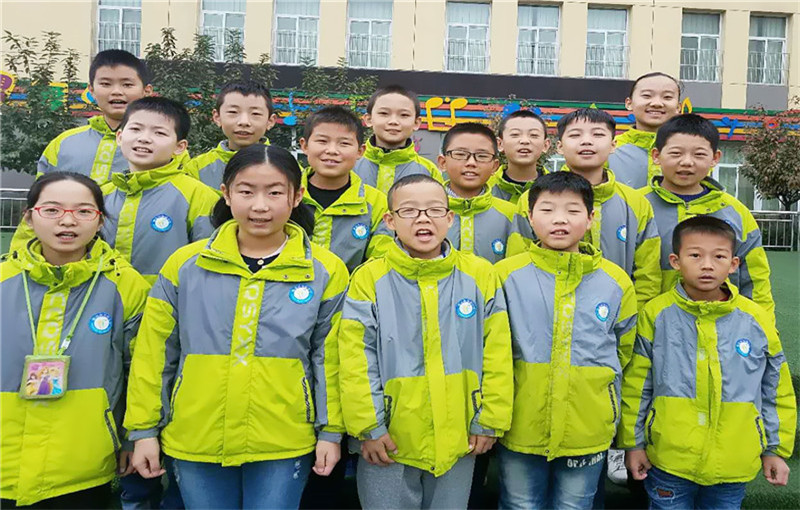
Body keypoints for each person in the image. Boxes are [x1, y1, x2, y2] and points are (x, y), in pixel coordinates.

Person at [124, 144, 348, 509]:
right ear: (226, 194)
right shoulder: (186, 264)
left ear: (296, 197)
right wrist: (144, 430)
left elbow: (330, 358)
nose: (260, 206)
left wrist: (331, 430)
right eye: (246, 191)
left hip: (284, 436)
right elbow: (154, 353)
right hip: (196, 432)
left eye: (274, 193)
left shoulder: (325, 270)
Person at [339, 174, 513, 509]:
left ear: (450, 218)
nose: (423, 219)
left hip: (459, 433)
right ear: (390, 220)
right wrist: (368, 427)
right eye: (409, 211)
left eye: (434, 210)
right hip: (389, 438)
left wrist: (489, 419)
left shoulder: (480, 274)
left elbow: (498, 352)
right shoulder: (369, 278)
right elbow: (356, 358)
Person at [619, 215, 796, 509]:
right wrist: (633, 443)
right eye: (695, 255)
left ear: (734, 264)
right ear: (676, 261)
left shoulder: (756, 319)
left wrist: (774, 449)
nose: (707, 265)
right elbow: (637, 385)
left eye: (719, 257)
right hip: (669, 460)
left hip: (733, 461)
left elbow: (776, 388)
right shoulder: (656, 314)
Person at [0, 173, 150, 508]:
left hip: (83, 463)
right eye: (52, 210)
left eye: (83, 211)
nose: (67, 221)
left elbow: (141, 372)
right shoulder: (4, 278)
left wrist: (133, 437)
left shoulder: (127, 286)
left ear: (100, 220)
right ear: (29, 217)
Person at [494, 172, 637, 510]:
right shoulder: (504, 275)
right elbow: (493, 349)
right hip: (520, 424)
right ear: (530, 217)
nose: (560, 220)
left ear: (590, 219)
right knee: (519, 504)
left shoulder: (615, 282)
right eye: (547, 210)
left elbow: (623, 350)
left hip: (587, 426)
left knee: (576, 505)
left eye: (573, 211)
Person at [513, 108, 662, 310]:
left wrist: (630, 316)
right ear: (559, 146)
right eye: (575, 135)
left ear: (613, 145)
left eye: (598, 134)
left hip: (615, 315)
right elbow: (518, 265)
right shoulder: (535, 198)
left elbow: (648, 275)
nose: (586, 141)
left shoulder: (636, 203)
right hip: (543, 311)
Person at [644, 113, 775, 322]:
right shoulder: (636, 205)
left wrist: (764, 327)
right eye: (676, 153)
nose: (687, 162)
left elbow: (756, 279)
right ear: (656, 155)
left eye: (699, 154)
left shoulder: (735, 212)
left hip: (723, 324)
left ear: (715, 158)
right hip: (654, 324)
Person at [100, 96, 219, 284]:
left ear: (180, 147)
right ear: (120, 137)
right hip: (106, 299)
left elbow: (206, 263)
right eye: (136, 129)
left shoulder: (198, 196)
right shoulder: (101, 195)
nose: (144, 138)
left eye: (159, 133)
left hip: (166, 300)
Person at [299, 106, 392, 273]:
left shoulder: (376, 202)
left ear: (360, 151)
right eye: (322, 141)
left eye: (344, 143)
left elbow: (379, 262)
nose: (332, 151)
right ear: (304, 146)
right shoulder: (286, 193)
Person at [38, 49, 153, 183]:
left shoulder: (163, 144)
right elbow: (41, 192)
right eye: (106, 84)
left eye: (127, 85)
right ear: (91, 90)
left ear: (146, 91)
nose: (116, 91)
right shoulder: (63, 143)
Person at [438, 123, 530, 263]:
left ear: (494, 166)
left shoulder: (512, 215)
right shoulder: (426, 211)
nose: (471, 163)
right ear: (443, 162)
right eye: (460, 154)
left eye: (482, 156)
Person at [184, 81, 277, 190]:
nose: (244, 122)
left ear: (270, 121)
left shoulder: (285, 166)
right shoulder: (196, 168)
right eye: (233, 112)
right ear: (217, 117)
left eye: (255, 113)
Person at [354, 85, 443, 193]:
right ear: (368, 119)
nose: (393, 121)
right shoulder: (350, 164)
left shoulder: (429, 171)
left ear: (416, 123)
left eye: (404, 115)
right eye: (384, 113)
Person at [609, 72, 681, 189]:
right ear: (629, 103)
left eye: (667, 97)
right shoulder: (609, 149)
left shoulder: (693, 150)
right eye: (647, 96)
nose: (656, 103)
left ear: (678, 107)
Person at [489, 109, 551, 204]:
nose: (525, 141)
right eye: (515, 134)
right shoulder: (484, 189)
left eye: (533, 135)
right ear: (500, 144)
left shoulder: (558, 189)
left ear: (545, 145)